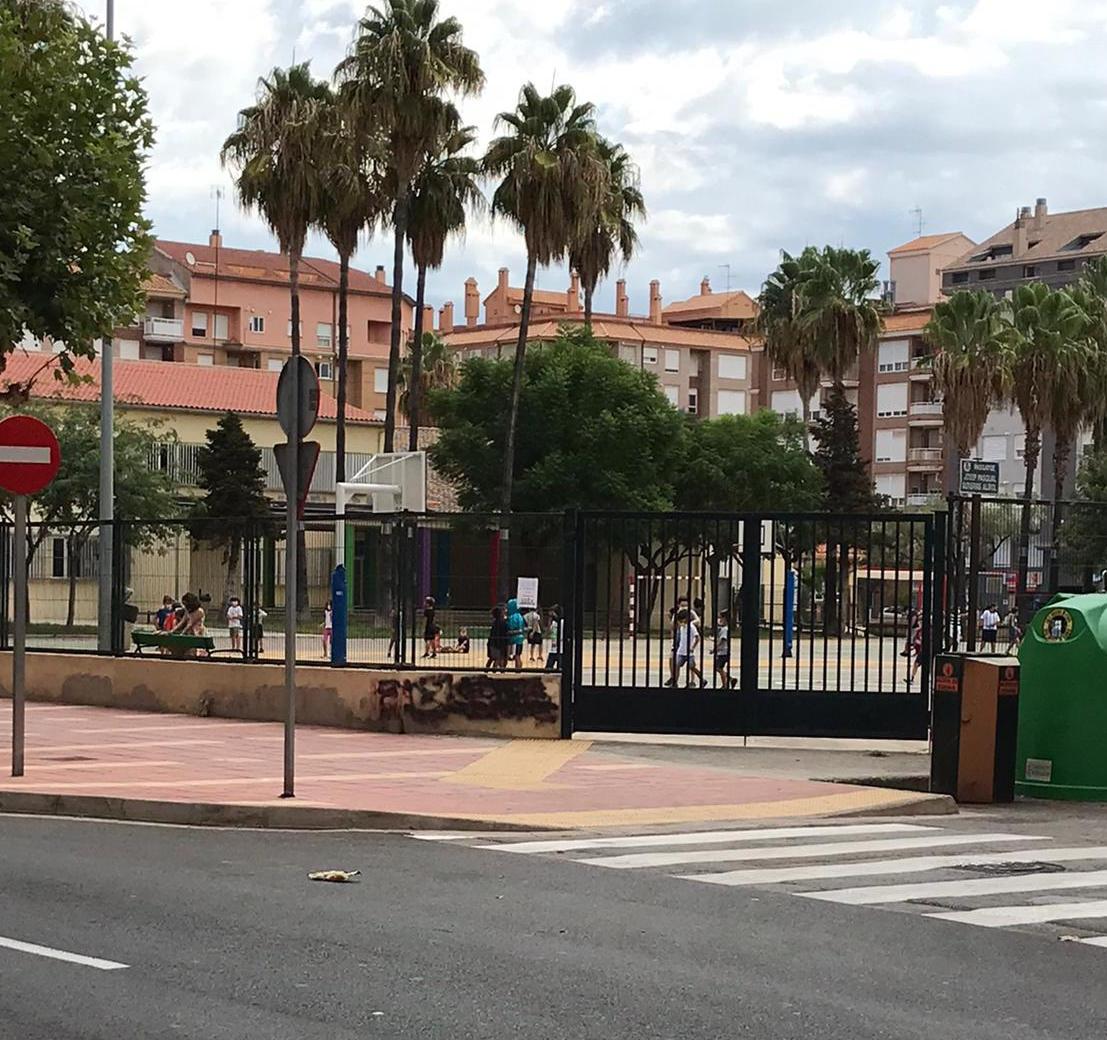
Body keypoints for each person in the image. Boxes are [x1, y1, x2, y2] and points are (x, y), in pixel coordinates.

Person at [671, 608, 704, 688]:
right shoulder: (682, 627)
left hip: (689, 652)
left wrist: (693, 647)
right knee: (677, 666)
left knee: (692, 667)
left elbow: (697, 638)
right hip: (681, 651)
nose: (680, 622)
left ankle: (701, 680)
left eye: (682, 620)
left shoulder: (691, 627)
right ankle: (675, 683)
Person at [714, 611, 735, 689]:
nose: (719, 619)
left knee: (718, 668)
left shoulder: (724, 629)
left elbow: (722, 641)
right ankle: (729, 680)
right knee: (719, 668)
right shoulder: (724, 629)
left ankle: (726, 684)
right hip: (723, 651)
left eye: (720, 617)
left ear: (725, 618)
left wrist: (715, 649)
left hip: (723, 652)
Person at [505, 598, 526, 670]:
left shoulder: (512, 617)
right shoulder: (520, 616)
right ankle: (518, 669)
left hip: (514, 639)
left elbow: (510, 627)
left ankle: (517, 669)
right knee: (518, 655)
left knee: (515, 656)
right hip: (520, 639)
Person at [486, 605, 508, 670]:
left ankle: (487, 669)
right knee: (498, 658)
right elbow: (505, 632)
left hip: (493, 642)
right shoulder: (502, 622)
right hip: (498, 643)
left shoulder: (495, 622)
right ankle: (495, 670)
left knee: (492, 658)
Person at [545, 608, 561, 672]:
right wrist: (550, 619)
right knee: (548, 668)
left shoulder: (562, 622)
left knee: (560, 668)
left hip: (560, 648)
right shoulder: (553, 623)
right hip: (553, 649)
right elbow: (548, 631)